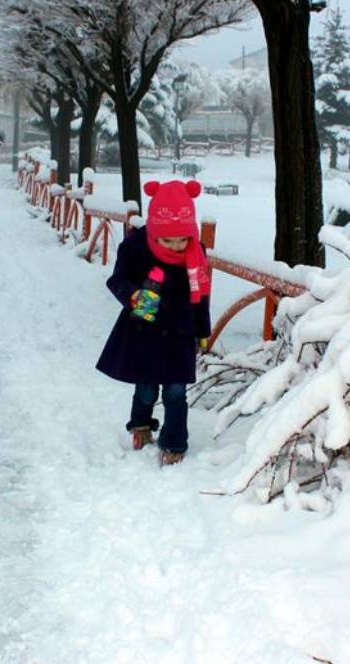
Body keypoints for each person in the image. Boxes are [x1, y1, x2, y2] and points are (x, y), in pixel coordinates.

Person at [95, 180, 212, 467]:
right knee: (146, 386)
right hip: (145, 329)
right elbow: (117, 279)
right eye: (167, 241)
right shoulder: (136, 246)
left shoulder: (195, 252)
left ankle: (174, 443)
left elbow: (202, 294)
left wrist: (202, 331)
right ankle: (141, 426)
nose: (176, 247)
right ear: (155, 232)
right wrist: (133, 294)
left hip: (180, 330)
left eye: (182, 240)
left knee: (176, 391)